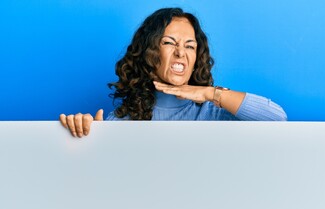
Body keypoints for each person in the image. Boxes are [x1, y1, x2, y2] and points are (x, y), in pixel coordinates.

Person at [60, 7, 287, 137]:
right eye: (169, 43)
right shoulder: (124, 120)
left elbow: (278, 118)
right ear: (150, 52)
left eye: (190, 46)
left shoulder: (213, 112)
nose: (181, 52)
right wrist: (85, 134)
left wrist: (210, 93)